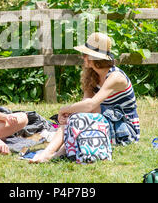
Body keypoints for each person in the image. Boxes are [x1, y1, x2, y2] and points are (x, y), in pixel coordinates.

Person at [30, 33, 140, 163]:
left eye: (85, 54)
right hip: (104, 119)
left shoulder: (116, 77)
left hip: (124, 129)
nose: (83, 57)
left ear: (95, 58)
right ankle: (50, 153)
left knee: (83, 114)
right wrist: (70, 114)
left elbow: (91, 105)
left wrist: (64, 110)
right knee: (75, 119)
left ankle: (53, 155)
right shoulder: (93, 74)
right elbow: (85, 103)